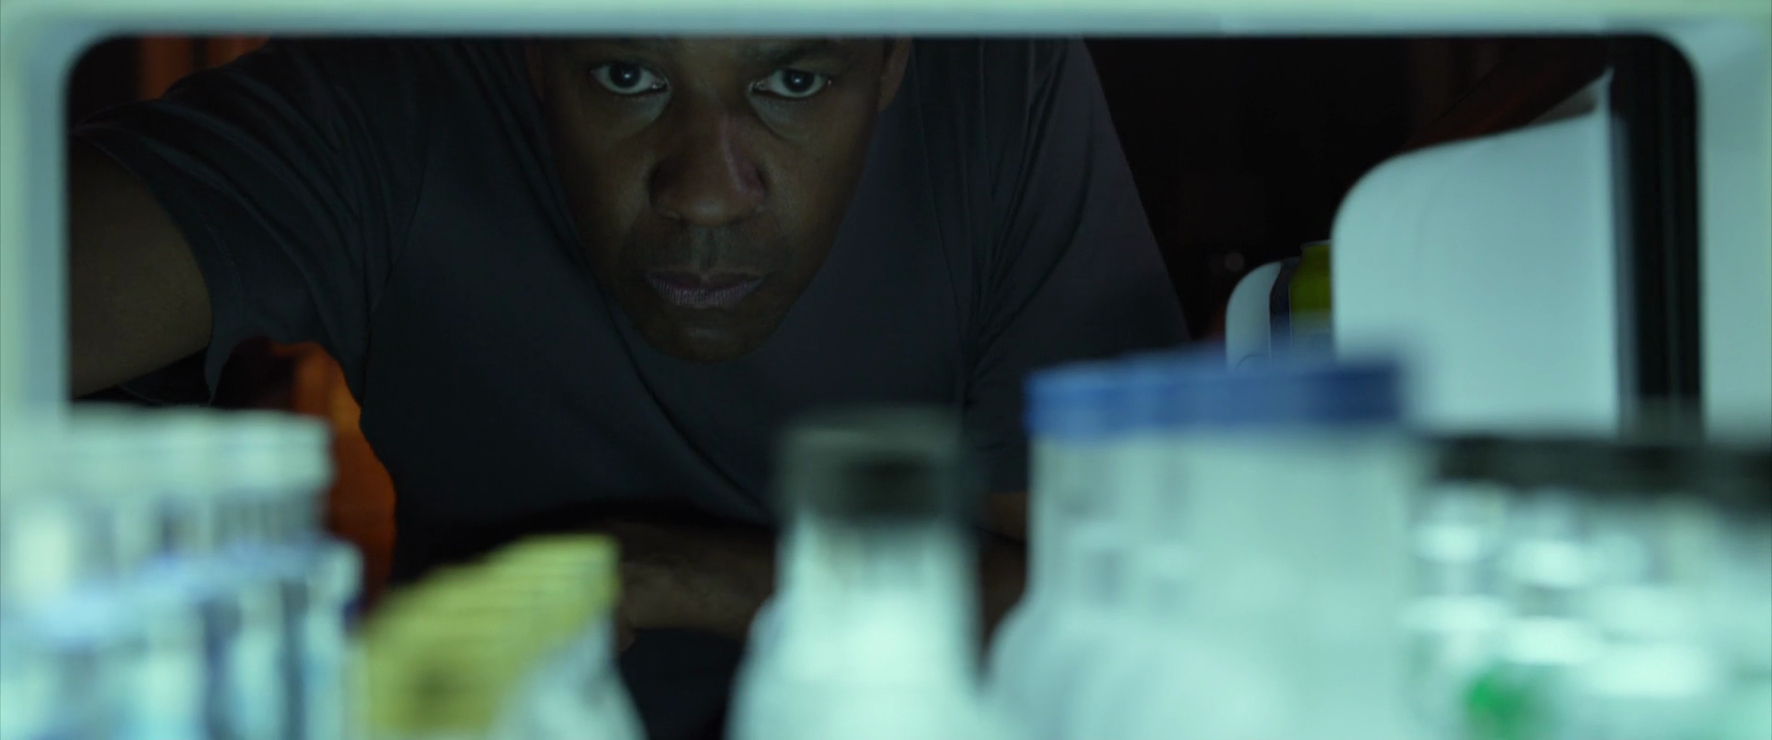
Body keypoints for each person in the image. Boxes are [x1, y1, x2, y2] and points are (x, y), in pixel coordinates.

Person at [68, 35, 1186, 739]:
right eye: (627, 76)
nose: (705, 194)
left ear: (891, 56)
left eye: (794, 82)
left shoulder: (995, 73)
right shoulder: (404, 85)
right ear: (533, 51)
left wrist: (659, 572)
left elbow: (1129, 615)